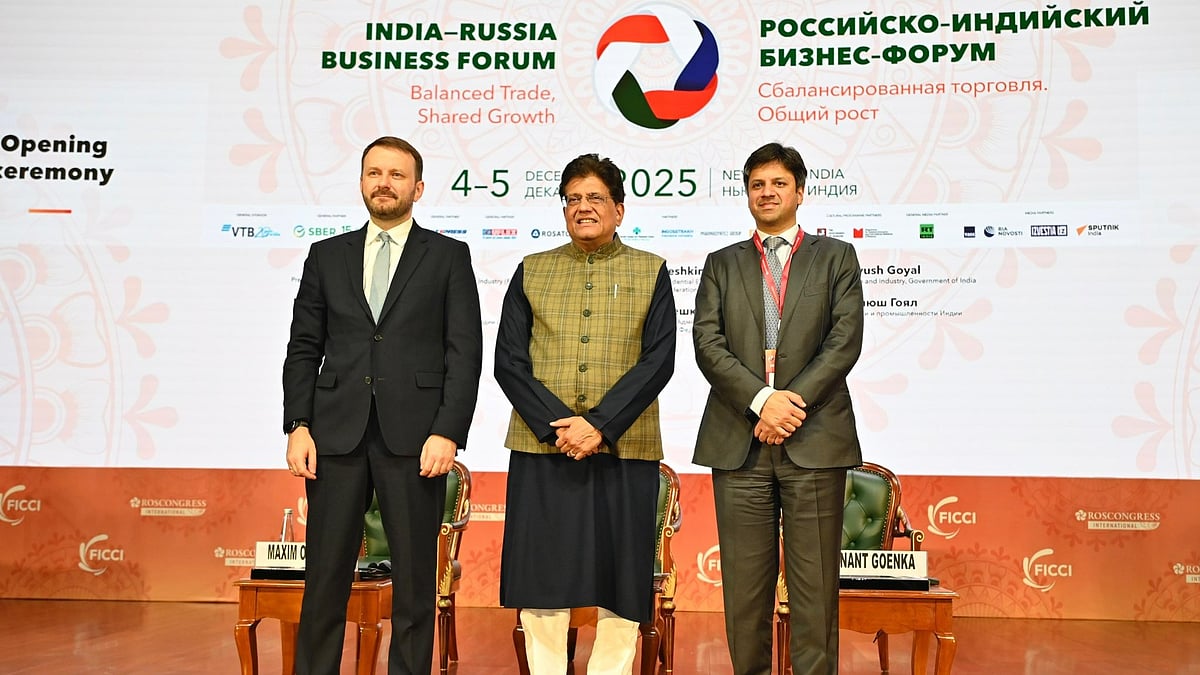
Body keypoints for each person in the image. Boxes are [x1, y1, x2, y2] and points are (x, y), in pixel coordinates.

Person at [281, 136, 483, 675]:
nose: (384, 183)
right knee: (325, 578)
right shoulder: (327, 255)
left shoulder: (447, 256)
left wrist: (448, 430)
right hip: (334, 436)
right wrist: (298, 424)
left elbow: (464, 352)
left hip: (416, 439)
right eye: (374, 173)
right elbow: (304, 347)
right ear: (362, 182)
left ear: (417, 188)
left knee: (415, 585)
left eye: (396, 175)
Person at [495, 153, 676, 674]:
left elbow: (658, 360)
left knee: (621, 584)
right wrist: (561, 430)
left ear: (619, 209)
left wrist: (599, 424)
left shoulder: (651, 270)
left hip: (625, 448)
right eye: (573, 199)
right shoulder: (532, 269)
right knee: (543, 580)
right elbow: (509, 361)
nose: (583, 208)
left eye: (595, 198)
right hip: (542, 449)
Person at [692, 142, 865, 675]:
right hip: (739, 441)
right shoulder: (722, 264)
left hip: (814, 438)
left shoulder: (835, 256)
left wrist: (791, 404)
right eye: (756, 185)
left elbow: (845, 339)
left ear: (800, 191)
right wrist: (763, 400)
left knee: (815, 592)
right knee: (745, 593)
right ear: (747, 194)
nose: (766, 193)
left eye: (778, 184)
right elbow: (708, 343)